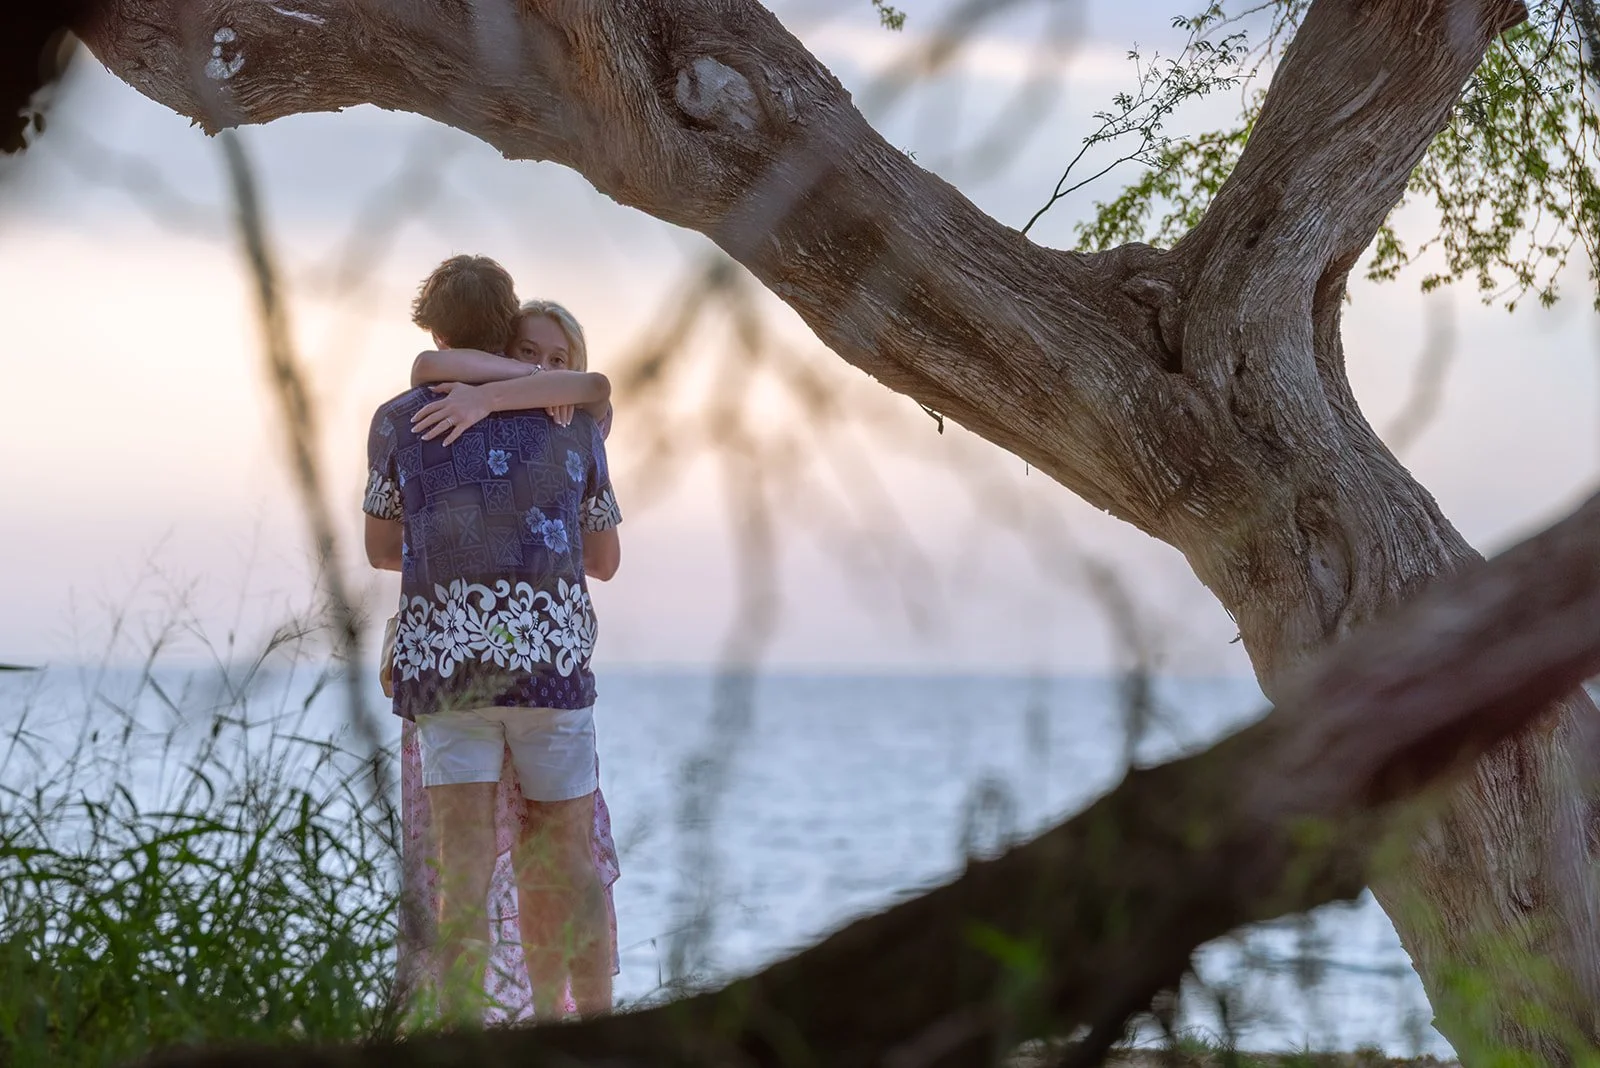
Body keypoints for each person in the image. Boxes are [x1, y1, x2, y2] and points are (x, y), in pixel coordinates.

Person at [364, 254, 622, 1024]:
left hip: (451, 671)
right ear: (508, 325)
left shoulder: (394, 419)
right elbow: (604, 559)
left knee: (463, 871)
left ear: (435, 325)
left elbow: (381, 549)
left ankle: (463, 1033)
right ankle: (589, 1027)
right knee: (569, 858)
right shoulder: (570, 424)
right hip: (550, 667)